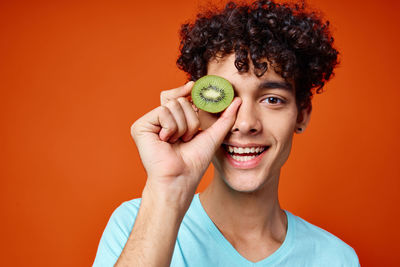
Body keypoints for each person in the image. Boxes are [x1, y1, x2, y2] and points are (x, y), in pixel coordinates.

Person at [93, 0, 360, 266]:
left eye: (272, 99)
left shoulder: (336, 258)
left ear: (301, 114)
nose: (245, 124)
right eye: (226, 97)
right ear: (197, 106)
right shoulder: (136, 225)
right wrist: (167, 193)